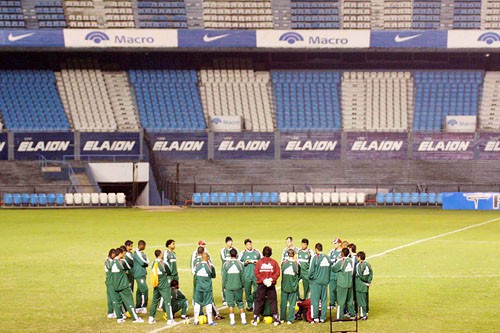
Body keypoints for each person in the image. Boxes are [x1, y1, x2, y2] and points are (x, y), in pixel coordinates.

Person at [110, 248, 143, 323]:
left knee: (117, 302)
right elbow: (129, 268)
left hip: (115, 286)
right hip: (123, 285)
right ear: (120, 254)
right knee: (129, 301)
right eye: (123, 254)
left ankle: (119, 318)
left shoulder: (111, 263)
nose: (124, 255)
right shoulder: (122, 261)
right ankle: (135, 318)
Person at [253, 246, 280, 326]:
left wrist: (263, 280)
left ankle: (255, 319)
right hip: (270, 284)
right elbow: (277, 272)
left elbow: (256, 273)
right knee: (273, 300)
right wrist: (271, 279)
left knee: (259, 300)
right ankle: (275, 319)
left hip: (261, 284)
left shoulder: (259, 262)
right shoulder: (274, 262)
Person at [148, 250, 174, 325]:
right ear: (160, 254)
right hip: (164, 285)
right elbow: (169, 272)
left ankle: (151, 318)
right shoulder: (163, 263)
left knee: (155, 301)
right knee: (167, 301)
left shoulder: (153, 263)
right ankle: (170, 319)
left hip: (156, 284)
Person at [222, 248, 247, 326]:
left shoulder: (225, 264)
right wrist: (243, 286)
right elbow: (243, 277)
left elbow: (224, 278)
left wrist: (224, 287)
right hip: (238, 286)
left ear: (229, 255)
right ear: (236, 255)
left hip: (229, 287)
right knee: (240, 303)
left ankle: (232, 321)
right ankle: (243, 320)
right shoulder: (240, 264)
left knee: (230, 304)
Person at [308, 243, 330, 324]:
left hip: (316, 283)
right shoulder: (327, 257)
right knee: (324, 300)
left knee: (315, 300)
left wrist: (310, 278)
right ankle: (323, 317)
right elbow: (330, 269)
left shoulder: (315, 257)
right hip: (325, 282)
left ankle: (315, 317)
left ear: (316, 249)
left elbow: (311, 271)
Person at [193, 252, 217, 326]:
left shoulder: (197, 265)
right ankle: (210, 321)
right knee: (208, 303)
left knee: (197, 302)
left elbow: (195, 276)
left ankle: (196, 320)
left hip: (198, 288)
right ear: (206, 257)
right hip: (207, 288)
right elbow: (213, 275)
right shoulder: (210, 266)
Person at [332, 248, 356, 321]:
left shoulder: (341, 261)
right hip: (349, 283)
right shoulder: (351, 260)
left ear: (342, 253)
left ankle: (340, 316)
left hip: (342, 284)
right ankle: (352, 315)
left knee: (341, 301)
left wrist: (337, 259)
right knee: (350, 300)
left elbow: (333, 268)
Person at [238, 238, 261, 311]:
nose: (249, 246)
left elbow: (262, 260)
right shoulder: (243, 253)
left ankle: (256, 304)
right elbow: (238, 262)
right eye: (248, 244)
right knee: (247, 291)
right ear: (245, 245)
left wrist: (256, 262)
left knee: (257, 290)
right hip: (246, 275)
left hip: (255, 275)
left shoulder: (257, 252)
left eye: (250, 244)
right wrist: (245, 262)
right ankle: (250, 305)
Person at [280, 249, 300, 325]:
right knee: (292, 304)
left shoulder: (284, 263)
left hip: (284, 286)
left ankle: (282, 318)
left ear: (288, 254)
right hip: (293, 287)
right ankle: (290, 319)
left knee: (283, 303)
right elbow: (298, 274)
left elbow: (282, 271)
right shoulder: (296, 264)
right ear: (294, 254)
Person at [355, 252, 373, 320]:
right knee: (365, 299)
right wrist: (368, 282)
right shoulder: (368, 264)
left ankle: (363, 315)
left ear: (359, 257)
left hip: (360, 285)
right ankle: (366, 312)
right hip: (366, 285)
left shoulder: (359, 265)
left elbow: (360, 275)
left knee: (361, 300)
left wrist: (364, 282)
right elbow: (371, 273)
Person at [133, 240, 149, 314]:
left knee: (139, 290)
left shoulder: (142, 253)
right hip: (139, 274)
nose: (145, 247)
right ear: (141, 245)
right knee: (145, 289)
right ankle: (143, 306)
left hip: (142, 273)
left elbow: (146, 261)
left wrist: (146, 262)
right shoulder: (137, 253)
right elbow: (143, 262)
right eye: (144, 246)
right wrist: (146, 263)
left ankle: (138, 307)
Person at [220, 236, 237, 305]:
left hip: (233, 269)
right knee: (225, 284)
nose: (231, 243)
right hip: (225, 270)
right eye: (229, 241)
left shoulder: (235, 250)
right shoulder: (223, 250)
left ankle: (234, 298)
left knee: (234, 283)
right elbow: (223, 259)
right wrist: (232, 259)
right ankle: (225, 299)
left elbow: (237, 258)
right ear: (226, 242)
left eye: (231, 241)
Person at [328, 238, 343, 308]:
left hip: (339, 274)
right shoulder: (331, 252)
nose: (334, 245)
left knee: (340, 289)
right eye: (333, 243)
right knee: (332, 289)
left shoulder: (343, 252)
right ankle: (332, 303)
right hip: (332, 274)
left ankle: (340, 302)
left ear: (339, 244)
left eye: (335, 243)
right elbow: (328, 261)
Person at [105, 248, 116, 319]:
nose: (114, 255)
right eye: (113, 254)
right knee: (112, 297)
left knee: (110, 297)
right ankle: (113, 312)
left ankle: (111, 312)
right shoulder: (107, 261)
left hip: (111, 280)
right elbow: (109, 267)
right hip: (110, 281)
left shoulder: (110, 260)